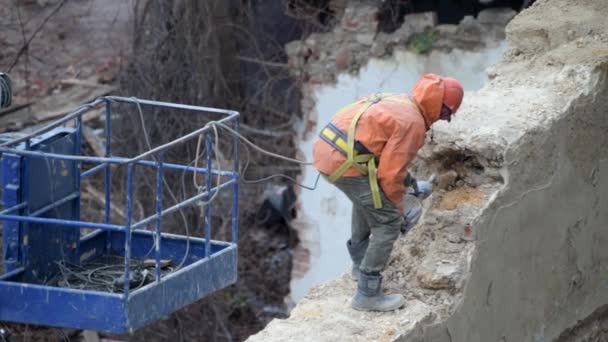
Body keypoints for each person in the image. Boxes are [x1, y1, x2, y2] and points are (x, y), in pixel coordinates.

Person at [312, 73, 464, 311]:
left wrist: (413, 187)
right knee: (387, 224)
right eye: (446, 113)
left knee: (366, 199)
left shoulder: (403, 102)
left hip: (331, 150)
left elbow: (387, 158)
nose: (444, 119)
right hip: (344, 163)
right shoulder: (413, 123)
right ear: (437, 104)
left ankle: (359, 262)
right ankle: (367, 294)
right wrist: (399, 211)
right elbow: (390, 176)